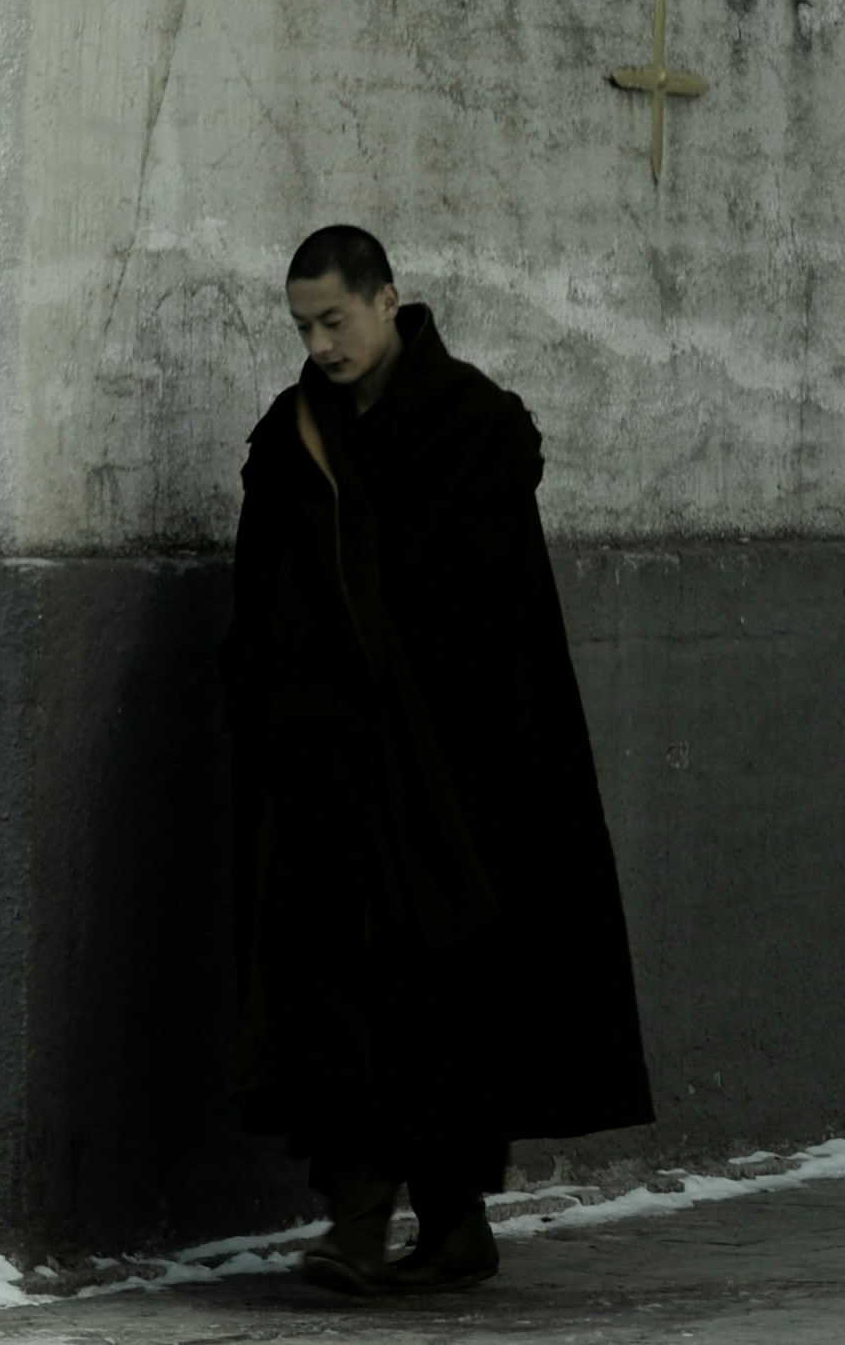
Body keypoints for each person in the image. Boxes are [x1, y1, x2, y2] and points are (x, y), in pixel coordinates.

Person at [226, 222, 653, 1296]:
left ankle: (429, 1220)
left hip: (454, 776)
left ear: (387, 302)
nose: (320, 344)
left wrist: (478, 766)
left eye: (334, 320)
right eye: (303, 326)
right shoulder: (290, 440)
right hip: (328, 778)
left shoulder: (471, 433)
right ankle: (378, 1218)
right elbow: (260, 599)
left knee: (440, 1001)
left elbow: (498, 623)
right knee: (345, 995)